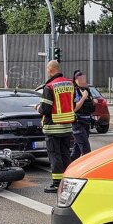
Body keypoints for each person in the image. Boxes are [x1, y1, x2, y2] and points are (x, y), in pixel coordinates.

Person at [35, 61, 86, 193]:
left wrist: (37, 108)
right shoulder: (70, 84)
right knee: (65, 155)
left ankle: (57, 184)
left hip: (53, 127)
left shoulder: (49, 87)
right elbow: (72, 105)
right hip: (67, 127)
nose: (47, 71)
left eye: (47, 68)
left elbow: (45, 109)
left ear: (51, 70)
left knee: (54, 155)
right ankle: (67, 182)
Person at [70, 70, 95, 161]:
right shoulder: (75, 91)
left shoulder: (86, 90)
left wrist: (92, 101)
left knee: (77, 150)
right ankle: (87, 171)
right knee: (86, 150)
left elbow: (90, 104)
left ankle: (67, 166)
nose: (82, 81)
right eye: (79, 79)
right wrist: (84, 98)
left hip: (86, 123)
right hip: (78, 123)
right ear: (75, 80)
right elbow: (75, 108)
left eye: (83, 78)